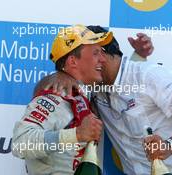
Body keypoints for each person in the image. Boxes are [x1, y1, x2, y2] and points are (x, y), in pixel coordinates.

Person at [35, 26, 172, 175]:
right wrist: (61, 76)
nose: (74, 74)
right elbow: (41, 91)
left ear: (99, 57)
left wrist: (168, 146)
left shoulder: (147, 75)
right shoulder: (95, 85)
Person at [11, 24, 113, 175]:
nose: (103, 59)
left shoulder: (82, 98)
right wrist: (76, 134)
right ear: (72, 62)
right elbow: (20, 144)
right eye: (95, 53)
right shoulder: (56, 96)